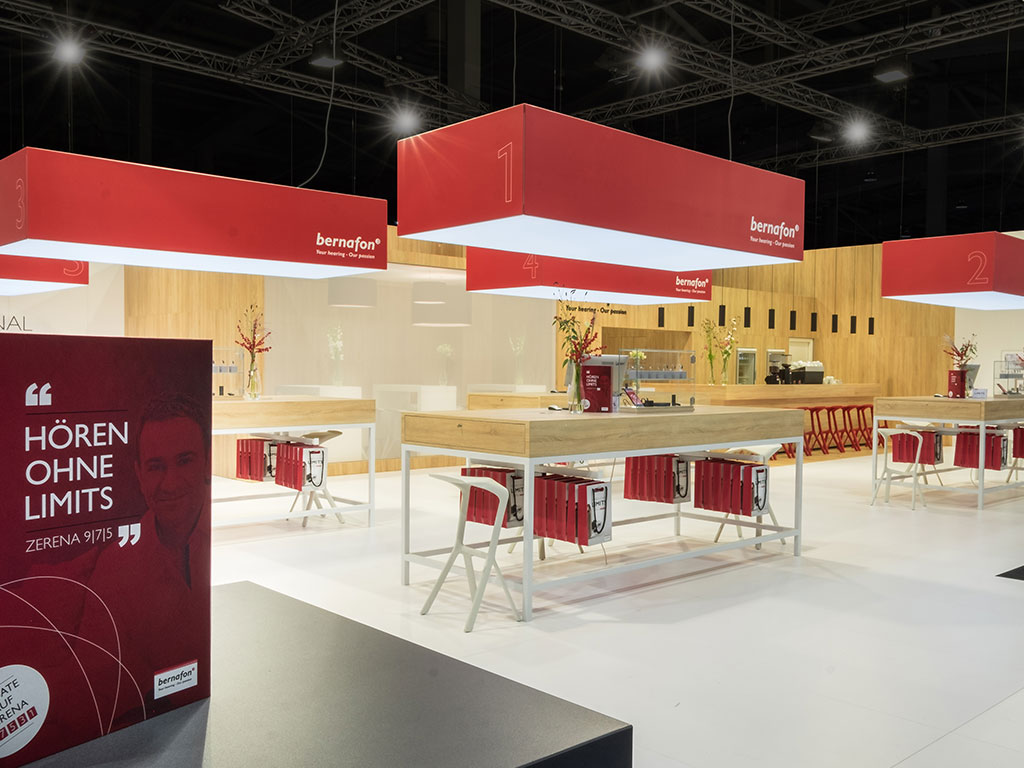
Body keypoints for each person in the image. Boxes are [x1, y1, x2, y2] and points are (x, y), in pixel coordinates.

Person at [74, 392, 211, 728]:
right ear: (138, 474)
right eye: (155, 467)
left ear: (208, 462)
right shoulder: (115, 568)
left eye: (184, 461)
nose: (171, 483)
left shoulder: (224, 540)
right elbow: (94, 691)